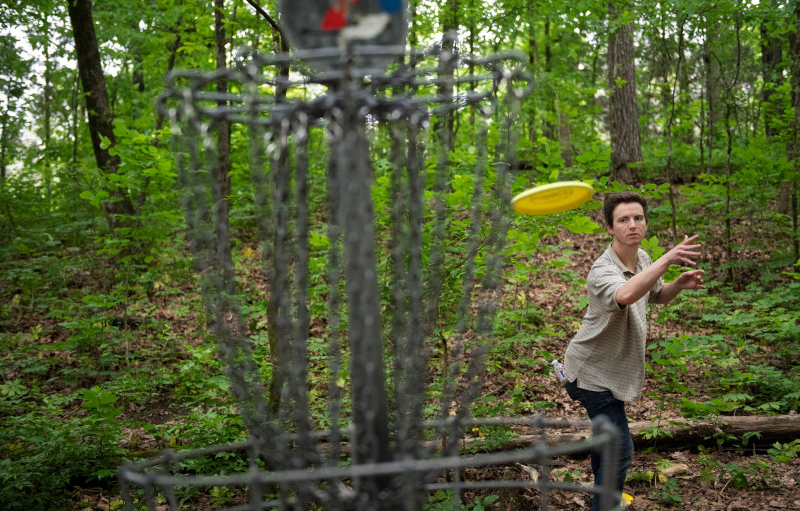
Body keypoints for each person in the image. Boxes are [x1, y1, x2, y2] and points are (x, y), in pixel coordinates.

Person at [562, 191, 705, 510]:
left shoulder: (641, 258)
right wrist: (668, 258)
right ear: (610, 228)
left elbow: (653, 293)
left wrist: (677, 286)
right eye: (623, 220)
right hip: (591, 375)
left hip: (612, 372)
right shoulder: (602, 271)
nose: (632, 225)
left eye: (638, 218)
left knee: (607, 444)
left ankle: (598, 497)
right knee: (621, 450)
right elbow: (626, 294)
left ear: (645, 222)